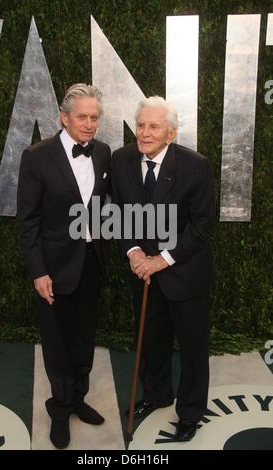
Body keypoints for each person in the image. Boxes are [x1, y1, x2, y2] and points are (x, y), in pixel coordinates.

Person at [112, 96, 214, 442]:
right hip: (142, 274)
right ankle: (156, 395)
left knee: (193, 348)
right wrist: (134, 251)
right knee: (151, 340)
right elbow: (116, 212)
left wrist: (161, 260)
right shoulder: (121, 159)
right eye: (140, 125)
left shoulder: (195, 165)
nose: (144, 132)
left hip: (183, 273)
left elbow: (200, 227)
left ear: (170, 133)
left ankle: (190, 411)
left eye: (153, 126)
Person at [17, 83, 111, 449]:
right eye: (82, 117)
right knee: (56, 343)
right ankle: (59, 411)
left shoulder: (102, 153)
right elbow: (28, 221)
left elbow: (107, 205)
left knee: (83, 337)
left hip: (91, 261)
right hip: (53, 269)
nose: (89, 124)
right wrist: (39, 271)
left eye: (94, 118)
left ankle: (77, 398)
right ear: (64, 117)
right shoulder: (37, 157)